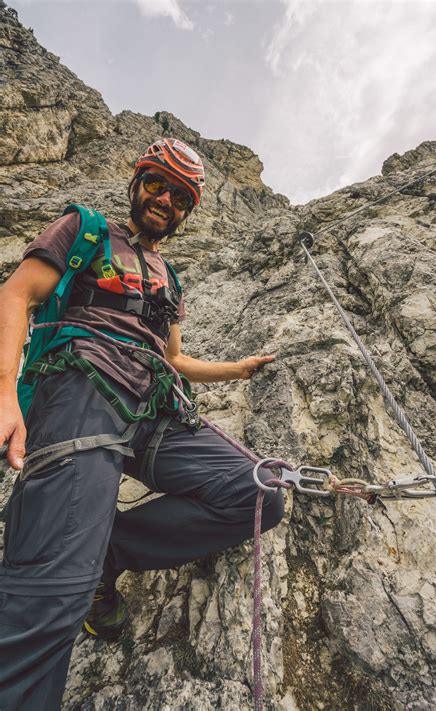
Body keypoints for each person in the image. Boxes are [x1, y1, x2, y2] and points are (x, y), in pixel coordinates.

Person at [0, 138, 285, 710]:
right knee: (57, 592)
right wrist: (5, 392)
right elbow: (17, 295)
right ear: (137, 182)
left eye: (180, 195)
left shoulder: (168, 278)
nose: (165, 199)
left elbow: (174, 359)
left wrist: (238, 369)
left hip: (155, 407)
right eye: (156, 184)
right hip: (82, 389)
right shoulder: (85, 232)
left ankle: (109, 554)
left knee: (259, 493)